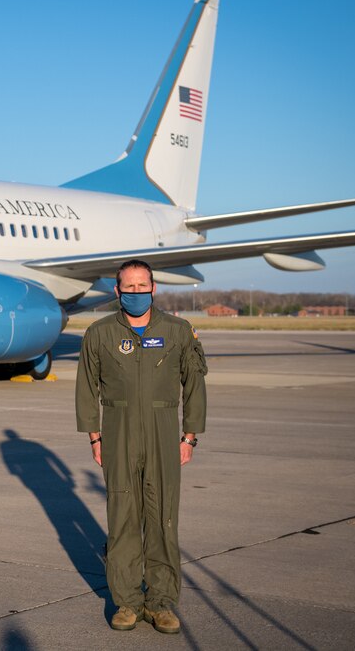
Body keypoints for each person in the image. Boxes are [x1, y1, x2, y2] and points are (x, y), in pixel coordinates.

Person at [75, 259, 207, 635]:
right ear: (117, 291)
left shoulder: (178, 331)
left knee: (164, 519)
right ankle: (128, 602)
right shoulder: (99, 333)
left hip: (164, 431)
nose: (136, 293)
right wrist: (95, 436)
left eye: (142, 286)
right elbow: (87, 389)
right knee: (123, 521)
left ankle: (161, 602)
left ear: (154, 289)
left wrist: (189, 436)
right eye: (128, 288)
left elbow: (194, 386)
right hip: (117, 433)